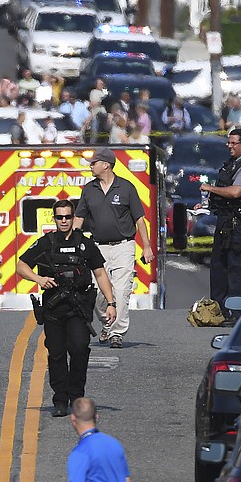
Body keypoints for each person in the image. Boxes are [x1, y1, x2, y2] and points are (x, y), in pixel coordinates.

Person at [16, 200, 117, 417]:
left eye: (67, 217)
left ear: (73, 218)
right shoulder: (46, 243)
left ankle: (77, 396)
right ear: (54, 218)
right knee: (56, 353)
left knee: (80, 348)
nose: (64, 221)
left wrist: (111, 303)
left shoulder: (85, 244)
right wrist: (38, 279)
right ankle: (60, 399)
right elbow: (21, 265)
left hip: (78, 306)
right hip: (54, 309)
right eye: (60, 217)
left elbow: (100, 273)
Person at [73, 148, 155, 348]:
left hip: (123, 246)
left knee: (121, 290)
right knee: (99, 292)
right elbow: (79, 217)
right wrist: (72, 242)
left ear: (106, 165)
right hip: (98, 247)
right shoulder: (89, 189)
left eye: (94, 163)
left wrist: (146, 247)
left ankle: (117, 333)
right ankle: (107, 324)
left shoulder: (126, 188)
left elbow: (139, 219)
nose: (91, 166)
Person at [201, 128, 241, 316]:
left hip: (238, 224)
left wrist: (211, 188)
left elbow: (236, 192)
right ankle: (218, 309)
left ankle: (237, 311)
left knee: (235, 267)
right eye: (229, 142)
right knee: (218, 266)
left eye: (234, 143)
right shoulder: (231, 164)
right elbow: (224, 193)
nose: (229, 146)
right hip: (225, 222)